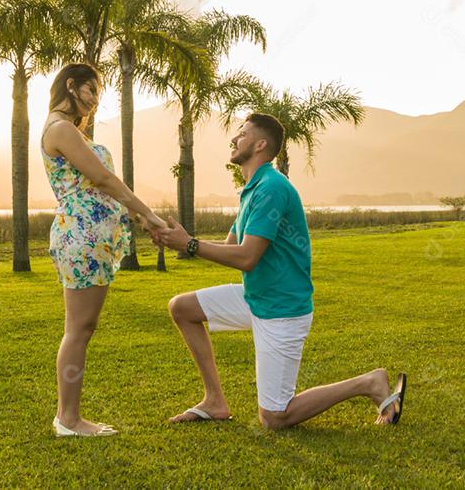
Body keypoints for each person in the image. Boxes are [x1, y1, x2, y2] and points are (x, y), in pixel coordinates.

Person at [152, 112, 407, 429]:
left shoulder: (271, 188)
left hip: (282, 309)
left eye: (241, 134)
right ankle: (215, 401)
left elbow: (246, 258)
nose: (233, 139)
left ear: (260, 145)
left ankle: (369, 383)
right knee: (183, 307)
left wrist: (189, 244)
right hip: (257, 297)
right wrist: (178, 240)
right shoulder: (252, 189)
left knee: (275, 418)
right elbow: (232, 245)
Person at [40, 63, 167, 437]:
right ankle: (69, 418)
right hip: (81, 234)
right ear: (71, 85)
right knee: (78, 328)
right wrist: (147, 212)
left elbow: (101, 186)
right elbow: (103, 179)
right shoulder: (61, 128)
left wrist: (138, 217)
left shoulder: (69, 130)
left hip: (92, 234)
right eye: (91, 91)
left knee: (83, 327)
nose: (95, 101)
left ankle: (69, 416)